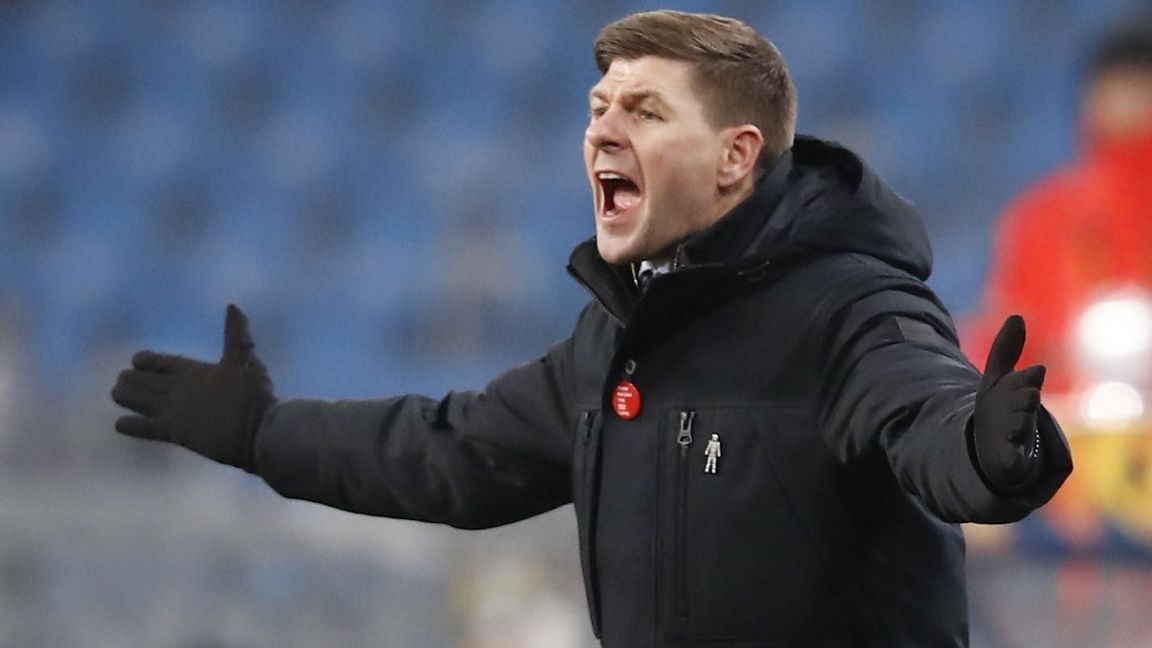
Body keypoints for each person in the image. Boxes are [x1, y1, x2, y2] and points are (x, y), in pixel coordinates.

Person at [111, 11, 1072, 647]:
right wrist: (263, 432)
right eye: (598, 108)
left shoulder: (852, 307)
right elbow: (451, 454)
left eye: (645, 112)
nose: (604, 130)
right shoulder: (616, 341)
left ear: (736, 156)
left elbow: (927, 418)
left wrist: (998, 450)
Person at [964, 19, 1152, 394]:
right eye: (1117, 88)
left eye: (1141, 87)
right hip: (1067, 417)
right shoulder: (1042, 217)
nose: (1129, 104)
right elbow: (1003, 340)